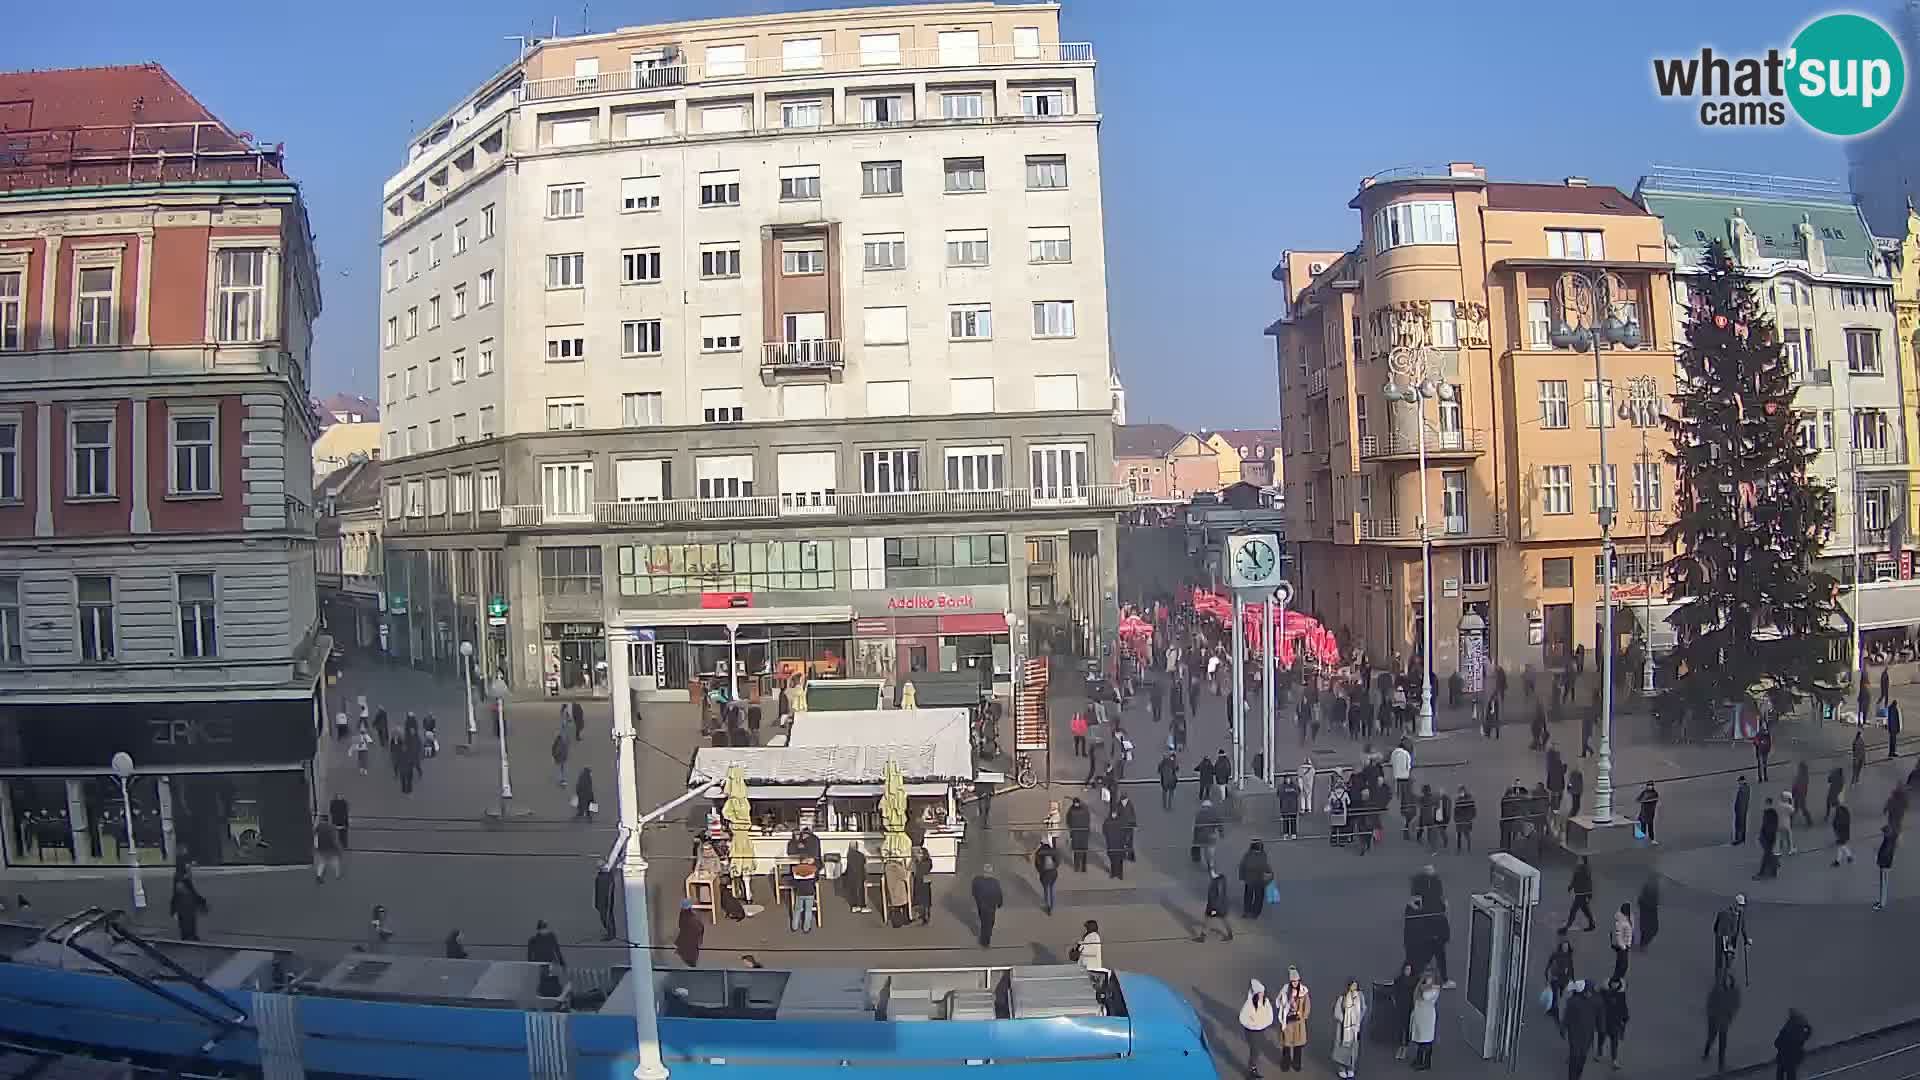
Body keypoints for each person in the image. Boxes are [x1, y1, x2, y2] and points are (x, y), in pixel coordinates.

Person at [1562, 980, 1599, 1080]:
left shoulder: (1596, 1002)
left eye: (1591, 991)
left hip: (1587, 1036)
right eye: (1588, 991)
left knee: (1582, 1057)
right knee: (1575, 1057)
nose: (1589, 993)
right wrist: (1563, 1028)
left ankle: (1577, 1075)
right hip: (1574, 1034)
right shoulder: (1574, 1001)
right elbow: (1567, 1016)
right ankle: (1572, 1077)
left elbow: (1600, 1018)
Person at [1704, 972, 1741, 1073]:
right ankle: (1706, 1052)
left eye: (1730, 983)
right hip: (1715, 1019)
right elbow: (1710, 1004)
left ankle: (1721, 1062)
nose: (1728, 985)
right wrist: (1712, 1016)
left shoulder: (1734, 992)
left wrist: (1730, 1015)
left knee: (1723, 1041)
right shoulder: (1717, 991)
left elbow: (1736, 1005)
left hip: (1724, 1020)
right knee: (1712, 1037)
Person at [1330, 977, 1366, 1080]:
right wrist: (1345, 1020)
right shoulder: (1343, 997)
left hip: (1355, 1029)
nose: (1354, 987)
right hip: (1344, 1029)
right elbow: (1337, 1011)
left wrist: (1357, 1020)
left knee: (1353, 1049)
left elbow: (1363, 1008)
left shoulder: (1360, 996)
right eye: (1352, 985)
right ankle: (1341, 1068)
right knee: (1342, 1048)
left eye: (1356, 985)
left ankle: (1351, 1067)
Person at [1238, 979, 1276, 1078]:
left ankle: (1252, 1068)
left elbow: (1270, 1015)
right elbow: (1242, 1018)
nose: (1262, 995)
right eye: (1260, 993)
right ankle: (1252, 1070)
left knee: (1257, 1050)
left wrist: (1264, 1023)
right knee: (1255, 1050)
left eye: (1263, 992)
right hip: (1252, 1032)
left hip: (1261, 1030)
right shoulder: (1249, 1004)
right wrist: (1252, 1024)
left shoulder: (1265, 1002)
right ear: (1255, 994)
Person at [1713, 896, 1751, 981]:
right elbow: (1725, 931)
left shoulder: (1741, 913)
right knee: (1721, 957)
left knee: (1730, 957)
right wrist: (1728, 944)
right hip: (1722, 936)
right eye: (1739, 905)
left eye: (1742, 905)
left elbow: (1743, 927)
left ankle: (1727, 974)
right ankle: (1719, 978)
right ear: (1735, 904)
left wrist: (1746, 940)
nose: (1741, 907)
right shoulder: (1726, 914)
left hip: (1732, 938)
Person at [1408, 973, 1439, 1071]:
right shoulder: (1424, 986)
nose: (1427, 979)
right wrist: (1422, 984)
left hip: (1427, 1017)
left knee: (1426, 1041)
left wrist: (1421, 984)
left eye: (1429, 977)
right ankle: (1419, 1059)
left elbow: (1423, 995)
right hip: (1420, 1015)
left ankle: (1426, 1062)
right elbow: (1416, 994)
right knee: (1419, 1039)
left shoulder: (1434, 989)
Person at [1545, 929, 1575, 1027]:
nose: (1565, 948)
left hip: (1564, 980)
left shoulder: (1569, 957)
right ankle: (1555, 1012)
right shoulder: (1556, 954)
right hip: (1556, 978)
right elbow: (1549, 963)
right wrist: (1547, 973)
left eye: (1566, 947)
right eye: (1564, 947)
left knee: (1561, 996)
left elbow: (1571, 968)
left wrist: (1572, 979)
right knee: (1555, 996)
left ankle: (1555, 1011)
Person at [170, 862, 207, 941]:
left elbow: (192, 892)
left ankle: (189, 935)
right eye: (189, 869)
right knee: (187, 921)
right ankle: (189, 935)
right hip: (185, 905)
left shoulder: (183, 880)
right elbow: (179, 894)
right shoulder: (182, 880)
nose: (191, 871)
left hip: (187, 905)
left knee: (189, 921)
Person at [1598, 977, 1628, 1069]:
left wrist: (1624, 1019)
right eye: (1613, 984)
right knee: (1602, 1037)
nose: (1615, 985)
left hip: (1615, 1021)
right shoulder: (1603, 993)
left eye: (1616, 984)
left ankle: (1614, 1060)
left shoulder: (1621, 994)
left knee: (1614, 1041)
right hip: (1605, 1020)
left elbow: (1623, 1007)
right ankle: (1599, 1053)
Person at [970, 864, 1004, 947]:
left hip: (981, 906)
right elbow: (999, 894)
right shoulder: (995, 882)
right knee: (989, 923)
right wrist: (999, 903)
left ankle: (984, 937)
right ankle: (985, 941)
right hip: (991, 906)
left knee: (984, 922)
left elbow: (974, 892)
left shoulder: (976, 880)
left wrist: (977, 900)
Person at [1775, 1010, 1813, 1080]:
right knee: (1790, 1073)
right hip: (1792, 1057)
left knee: (1781, 1072)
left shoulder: (1786, 1029)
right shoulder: (1800, 1031)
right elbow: (1807, 1035)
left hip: (1784, 1056)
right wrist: (1807, 1027)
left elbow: (1777, 1043)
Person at [1239, 841, 1272, 917]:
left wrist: (1242, 876)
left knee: (1248, 896)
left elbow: (1242, 866)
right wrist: (1269, 878)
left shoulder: (1248, 855)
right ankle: (1255, 912)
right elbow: (1266, 867)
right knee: (1259, 897)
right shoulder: (1263, 855)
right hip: (1259, 880)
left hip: (1250, 879)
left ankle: (1247, 911)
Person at [1391, 962, 1417, 1061]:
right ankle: (1400, 1047)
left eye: (1409, 969)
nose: (1408, 971)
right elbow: (1394, 992)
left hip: (1409, 1007)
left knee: (1406, 1027)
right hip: (1400, 1007)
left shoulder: (1414, 981)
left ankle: (1405, 1047)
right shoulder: (1398, 980)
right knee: (1399, 1027)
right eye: (1406, 969)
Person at [1564, 856, 1597, 932]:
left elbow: (1584, 880)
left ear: (1582, 860)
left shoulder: (1584, 869)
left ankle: (1567, 927)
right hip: (1581, 892)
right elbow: (1576, 879)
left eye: (1579, 859)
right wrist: (1571, 886)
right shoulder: (1582, 868)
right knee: (1585, 910)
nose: (1577, 861)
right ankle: (1592, 924)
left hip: (1582, 893)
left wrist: (1571, 886)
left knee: (1574, 910)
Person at [1200, 868, 1233, 941]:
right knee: (1223, 918)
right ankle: (1230, 934)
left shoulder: (1217, 882)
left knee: (1208, 918)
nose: (1210, 874)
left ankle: (1202, 936)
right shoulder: (1220, 880)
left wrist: (1214, 908)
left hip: (1215, 906)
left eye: (1211, 872)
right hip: (1219, 906)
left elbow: (1218, 896)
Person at [790, 857, 819, 933]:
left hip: (800, 892)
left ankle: (794, 926)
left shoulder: (795, 869)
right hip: (810, 892)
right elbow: (816, 879)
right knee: (808, 910)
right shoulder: (813, 869)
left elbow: (793, 881)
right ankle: (806, 928)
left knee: (797, 909)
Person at [1195, 799, 1223, 875]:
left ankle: (1207, 864)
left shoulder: (1199, 814)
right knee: (1211, 851)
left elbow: (1196, 827)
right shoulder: (1214, 814)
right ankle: (1211, 865)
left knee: (1204, 851)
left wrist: (1195, 838)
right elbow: (1219, 823)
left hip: (1202, 836)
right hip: (1211, 835)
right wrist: (1221, 832)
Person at [1033, 837, 1061, 915]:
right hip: (1053, 873)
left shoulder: (1039, 852)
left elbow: (1037, 865)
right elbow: (1058, 862)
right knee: (1052, 889)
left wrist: (1040, 871)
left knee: (1046, 890)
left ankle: (1047, 906)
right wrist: (1054, 867)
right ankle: (1052, 907)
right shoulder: (1053, 851)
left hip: (1044, 874)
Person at [674, 898, 705, 967]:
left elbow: (680, 925)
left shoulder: (684, 915)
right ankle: (691, 960)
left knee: (690, 948)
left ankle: (689, 959)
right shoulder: (694, 917)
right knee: (692, 948)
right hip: (694, 935)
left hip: (691, 935)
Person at [1756, 797, 1781, 879]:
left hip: (1768, 837)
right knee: (1768, 854)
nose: (1765, 805)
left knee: (1766, 855)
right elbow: (1765, 825)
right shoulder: (1768, 813)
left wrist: (1765, 835)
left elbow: (1770, 826)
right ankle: (1775, 866)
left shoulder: (1771, 814)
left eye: (1766, 804)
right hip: (1766, 836)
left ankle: (1762, 872)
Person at [313, 815, 343, 883]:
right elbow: (335, 839)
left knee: (322, 862)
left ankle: (319, 875)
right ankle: (337, 874)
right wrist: (339, 848)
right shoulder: (331, 827)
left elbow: (314, 834)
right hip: (331, 847)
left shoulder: (319, 826)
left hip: (321, 847)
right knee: (335, 860)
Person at [911, 846, 935, 926]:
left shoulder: (926, 862)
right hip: (919, 882)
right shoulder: (917, 862)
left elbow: (923, 871)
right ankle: (921, 914)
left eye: (920, 853)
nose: (918, 855)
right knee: (920, 900)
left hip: (924, 882)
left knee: (925, 900)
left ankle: (926, 916)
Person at [1066, 797, 1092, 872]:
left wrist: (1071, 830)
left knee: (1077, 851)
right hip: (1083, 833)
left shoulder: (1071, 810)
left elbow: (1068, 821)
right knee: (1083, 851)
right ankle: (1083, 867)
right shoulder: (1085, 810)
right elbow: (1088, 820)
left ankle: (1077, 866)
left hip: (1076, 833)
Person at [1877, 824, 1899, 911]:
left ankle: (1882, 903)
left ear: (1887, 833)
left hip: (1885, 865)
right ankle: (1882, 901)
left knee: (1883, 884)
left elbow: (1885, 854)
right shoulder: (1889, 839)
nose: (1882, 834)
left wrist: (1880, 863)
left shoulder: (1888, 842)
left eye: (1883, 832)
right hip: (1886, 864)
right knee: (1884, 884)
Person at [844, 843, 870, 915]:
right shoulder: (861, 855)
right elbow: (864, 865)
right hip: (860, 874)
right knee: (861, 889)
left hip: (851, 875)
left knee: (853, 888)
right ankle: (862, 906)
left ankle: (854, 906)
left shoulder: (849, 855)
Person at [1636, 874, 1660, 950]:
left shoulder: (1654, 887)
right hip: (1648, 907)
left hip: (1649, 908)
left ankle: (1642, 944)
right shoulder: (1650, 886)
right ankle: (1641, 945)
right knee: (1648, 928)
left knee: (1649, 928)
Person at [1102, 811, 1128, 880]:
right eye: (1113, 814)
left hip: (1119, 843)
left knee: (1119, 859)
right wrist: (1108, 837)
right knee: (1113, 859)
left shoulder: (1121, 821)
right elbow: (1104, 830)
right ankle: (1114, 873)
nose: (1114, 815)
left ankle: (1120, 874)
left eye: (1115, 814)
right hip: (1111, 843)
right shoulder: (1107, 821)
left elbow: (1125, 832)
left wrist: (1125, 842)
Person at [1610, 902, 1633, 982]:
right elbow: (1618, 935)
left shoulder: (1626, 917)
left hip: (1624, 945)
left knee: (1620, 964)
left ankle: (1616, 979)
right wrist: (1624, 947)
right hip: (1622, 946)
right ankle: (1615, 980)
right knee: (1623, 966)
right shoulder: (1621, 922)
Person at [594, 866, 618, 940]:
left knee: (607, 917)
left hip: (605, 902)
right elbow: (597, 890)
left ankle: (611, 934)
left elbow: (609, 891)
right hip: (601, 902)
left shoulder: (607, 878)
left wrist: (608, 903)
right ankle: (610, 932)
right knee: (604, 917)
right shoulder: (600, 876)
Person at [1833, 793, 1855, 866]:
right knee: (1841, 846)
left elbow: (1838, 823)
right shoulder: (1844, 809)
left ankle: (1839, 861)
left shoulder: (1839, 812)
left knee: (1841, 846)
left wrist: (1837, 831)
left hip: (1841, 833)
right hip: (1845, 832)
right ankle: (1847, 858)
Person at [1455, 786, 1476, 851]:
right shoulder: (1458, 799)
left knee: (1466, 834)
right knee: (1459, 835)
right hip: (1460, 820)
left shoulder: (1469, 799)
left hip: (1466, 820)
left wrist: (1471, 817)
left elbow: (1473, 810)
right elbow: (1456, 810)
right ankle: (1459, 848)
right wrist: (1456, 818)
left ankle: (1468, 848)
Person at [1733, 775, 1751, 845]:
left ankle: (1739, 839)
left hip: (1741, 809)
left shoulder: (1743, 789)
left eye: (1739, 781)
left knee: (1739, 824)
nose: (1739, 782)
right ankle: (1742, 838)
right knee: (1742, 824)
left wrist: (1737, 808)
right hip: (1742, 809)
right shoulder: (1746, 788)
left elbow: (1740, 801)